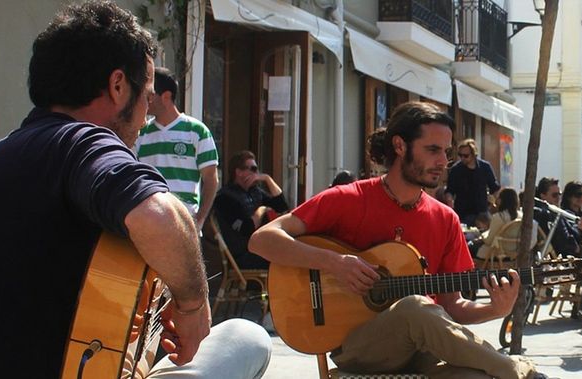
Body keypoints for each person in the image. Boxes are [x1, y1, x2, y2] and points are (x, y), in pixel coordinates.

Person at [0, 3, 270, 377]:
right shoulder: (82, 143)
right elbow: (158, 216)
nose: (146, 117)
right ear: (119, 86)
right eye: (146, 97)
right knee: (248, 336)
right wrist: (192, 305)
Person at [248, 102, 545, 379]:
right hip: (358, 348)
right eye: (432, 150)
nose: (443, 161)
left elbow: (452, 306)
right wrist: (335, 263)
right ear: (400, 146)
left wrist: (496, 310)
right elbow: (262, 240)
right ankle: (518, 370)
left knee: (480, 375)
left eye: (446, 152)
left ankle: (507, 371)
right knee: (414, 306)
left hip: (421, 349)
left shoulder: (445, 219)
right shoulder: (348, 199)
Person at [137, 67, 218, 231]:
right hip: (149, 223)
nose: (146, 99)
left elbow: (211, 180)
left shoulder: (197, 131)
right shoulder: (140, 132)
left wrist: (199, 221)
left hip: (184, 225)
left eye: (151, 94)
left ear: (166, 96)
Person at [212, 151, 290, 270]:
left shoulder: (255, 192)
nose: (257, 173)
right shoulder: (225, 198)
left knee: (293, 249)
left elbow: (282, 206)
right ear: (239, 172)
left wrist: (267, 179)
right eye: (253, 169)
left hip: (259, 249)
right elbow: (247, 228)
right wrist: (261, 209)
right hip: (242, 255)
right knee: (288, 256)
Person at [446, 139, 500, 226]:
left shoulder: (485, 167)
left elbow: (494, 188)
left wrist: (500, 206)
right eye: (460, 155)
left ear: (474, 154)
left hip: (482, 214)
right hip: (463, 213)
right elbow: (450, 191)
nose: (462, 158)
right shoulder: (456, 170)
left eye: (466, 156)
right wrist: (449, 201)